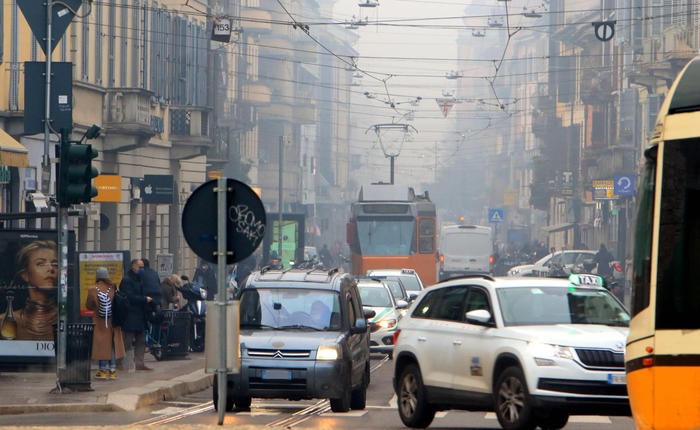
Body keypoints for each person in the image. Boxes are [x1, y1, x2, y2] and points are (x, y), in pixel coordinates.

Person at [0, 240, 58, 340]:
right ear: (25, 274)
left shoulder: (64, 320)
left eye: (55, 264)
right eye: (41, 264)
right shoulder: (5, 321)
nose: (51, 269)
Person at [85, 267, 126, 380]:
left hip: (100, 322)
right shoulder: (113, 288)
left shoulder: (93, 289)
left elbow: (89, 305)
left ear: (97, 277)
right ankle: (112, 370)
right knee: (112, 345)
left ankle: (102, 371)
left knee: (102, 346)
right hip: (113, 321)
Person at [119, 259, 153, 371]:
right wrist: (144, 299)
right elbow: (128, 296)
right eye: (140, 267)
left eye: (143, 267)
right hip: (130, 315)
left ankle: (139, 363)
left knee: (141, 340)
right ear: (133, 267)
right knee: (127, 341)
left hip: (141, 315)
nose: (142, 269)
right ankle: (123, 363)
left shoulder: (141, 279)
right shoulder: (127, 280)